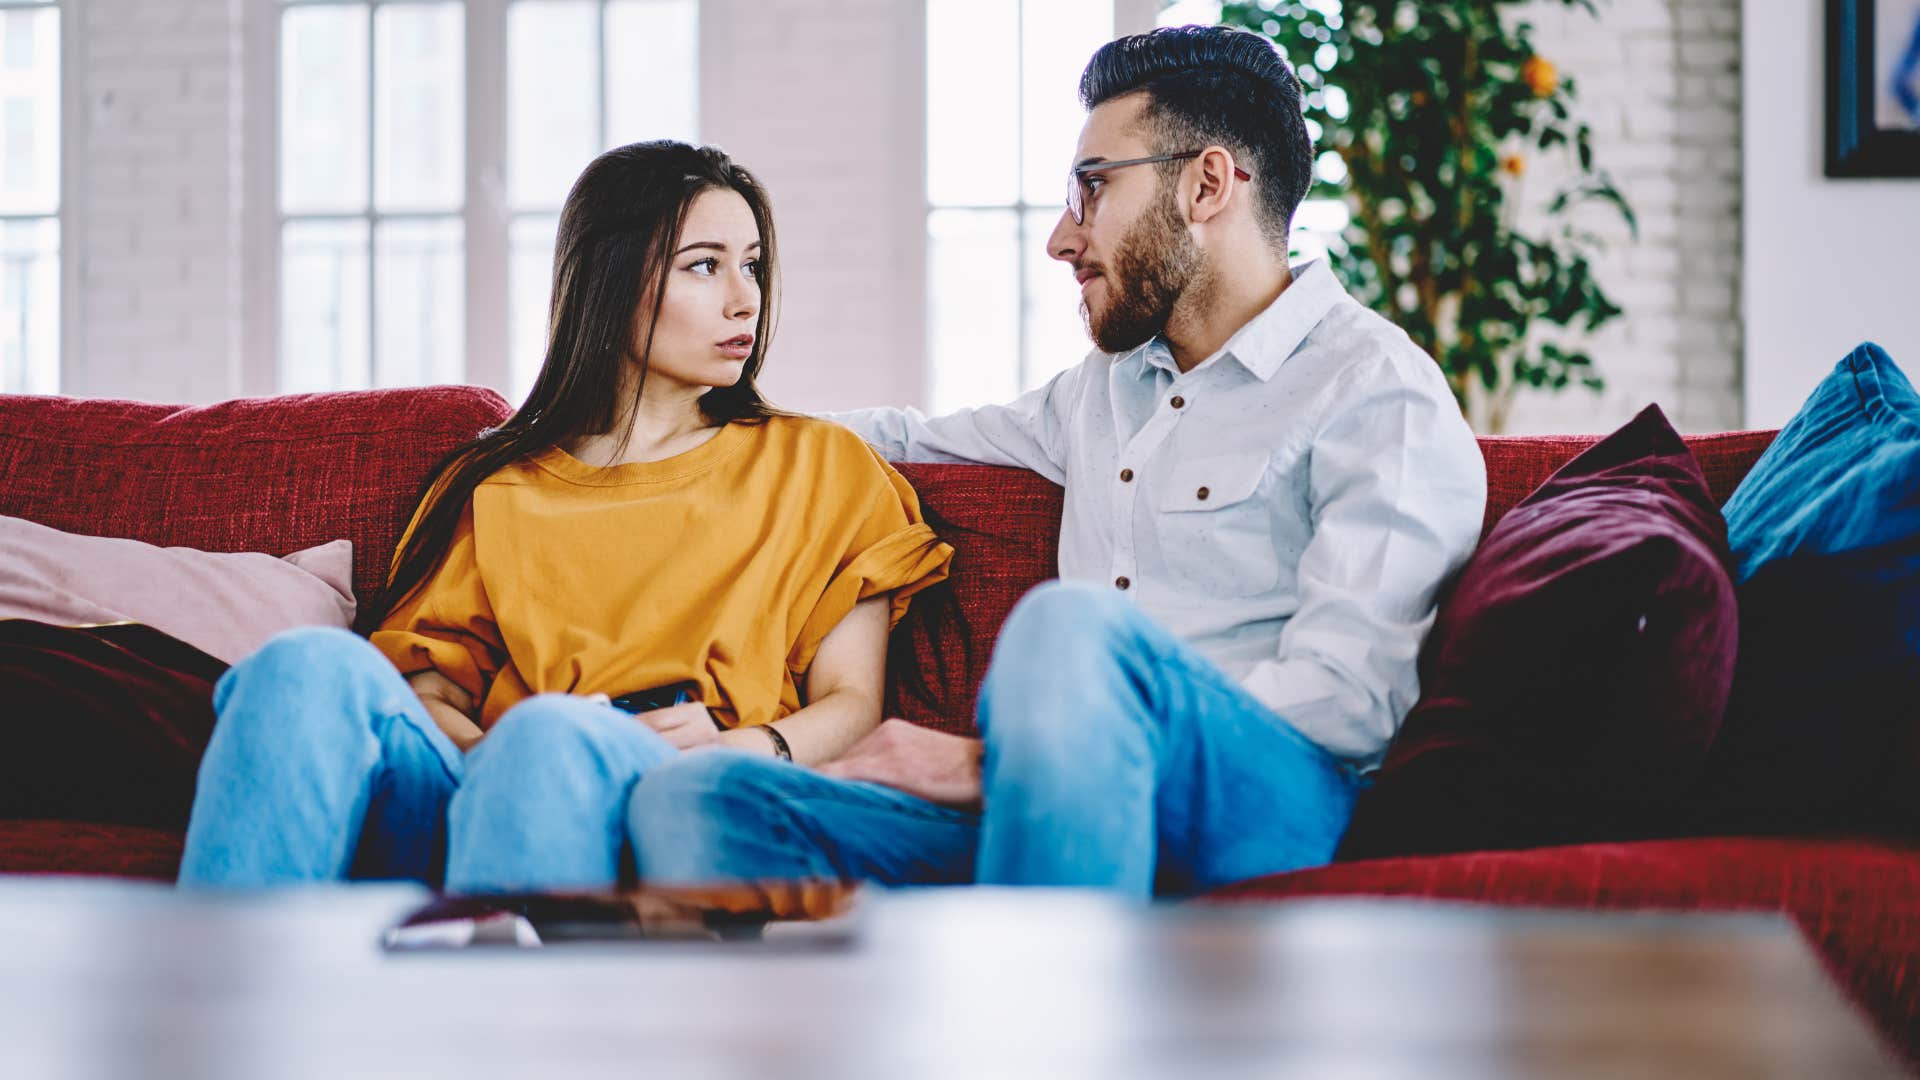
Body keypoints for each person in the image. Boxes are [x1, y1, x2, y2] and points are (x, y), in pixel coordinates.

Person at [622, 25, 1488, 898]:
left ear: (1208, 184)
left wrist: (1005, 758)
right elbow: (903, 438)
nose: (1063, 241)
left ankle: (1047, 1013)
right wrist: (658, 427)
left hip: (1272, 804)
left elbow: (1349, 704)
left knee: (1069, 628)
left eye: (1092, 188)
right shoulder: (1105, 391)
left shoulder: (1376, 390)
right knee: (699, 798)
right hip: (1047, 800)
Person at [178, 141, 953, 890]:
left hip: (664, 790)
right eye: (705, 266)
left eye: (751, 265)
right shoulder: (504, 485)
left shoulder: (821, 466)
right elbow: (432, 691)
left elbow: (854, 702)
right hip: (480, 789)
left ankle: (511, 1007)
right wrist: (493, 762)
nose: (744, 297)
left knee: (551, 733)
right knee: (300, 664)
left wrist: (747, 746)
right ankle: (217, 1004)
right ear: (611, 282)